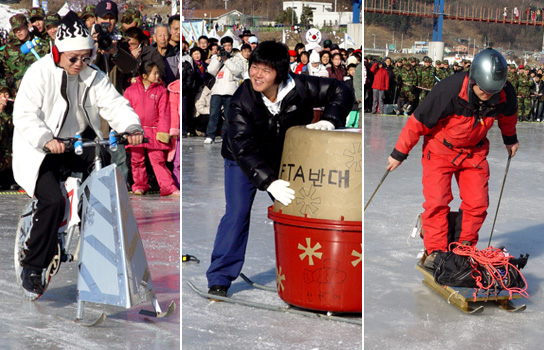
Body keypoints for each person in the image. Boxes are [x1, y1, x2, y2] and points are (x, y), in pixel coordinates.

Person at [205, 41, 354, 297]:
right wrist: (268, 181)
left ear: (281, 73)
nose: (257, 75)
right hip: (241, 161)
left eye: (266, 70)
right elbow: (242, 146)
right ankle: (220, 276)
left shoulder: (302, 87)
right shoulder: (243, 99)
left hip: (284, 159)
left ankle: (309, 269)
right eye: (254, 68)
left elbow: (342, 90)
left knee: (299, 211)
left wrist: (331, 119)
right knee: (237, 213)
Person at [12, 11, 144, 298]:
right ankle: (33, 265)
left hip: (77, 142)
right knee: (53, 201)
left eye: (86, 57)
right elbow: (23, 115)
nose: (79, 64)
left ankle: (97, 246)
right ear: (57, 51)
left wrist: (131, 125)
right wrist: (46, 138)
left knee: (105, 179)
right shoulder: (38, 73)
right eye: (73, 58)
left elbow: (114, 105)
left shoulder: (93, 76)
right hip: (40, 148)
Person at [385, 48, 519, 269]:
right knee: (437, 201)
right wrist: (399, 153)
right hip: (439, 150)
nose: (488, 94)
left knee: (477, 203)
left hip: (474, 153)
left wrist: (510, 139)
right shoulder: (449, 90)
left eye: (492, 90)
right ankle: (435, 251)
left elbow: (508, 116)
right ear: (474, 78)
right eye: (484, 90)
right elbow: (417, 122)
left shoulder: (504, 92)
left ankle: (464, 247)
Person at [124, 61, 179, 196]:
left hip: (154, 131)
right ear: (144, 75)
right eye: (154, 73)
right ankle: (139, 185)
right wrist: (126, 129)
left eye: (157, 72)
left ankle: (168, 187)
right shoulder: (130, 91)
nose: (157, 75)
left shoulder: (161, 90)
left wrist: (163, 131)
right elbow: (125, 111)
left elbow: (164, 113)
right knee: (136, 160)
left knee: (158, 161)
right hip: (136, 131)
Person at [203, 36, 243, 144]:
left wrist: (226, 60)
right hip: (217, 90)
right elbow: (210, 70)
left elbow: (238, 71)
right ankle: (210, 135)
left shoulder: (237, 58)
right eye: (225, 46)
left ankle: (225, 135)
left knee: (228, 115)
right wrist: (219, 60)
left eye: (229, 45)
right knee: (213, 114)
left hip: (230, 90)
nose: (227, 48)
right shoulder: (216, 57)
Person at [2, 14, 49, 94]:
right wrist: (11, 85)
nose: (18, 32)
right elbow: (5, 73)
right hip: (18, 94)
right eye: (15, 30)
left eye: (20, 28)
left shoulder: (42, 44)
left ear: (28, 26)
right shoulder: (8, 48)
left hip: (40, 92)